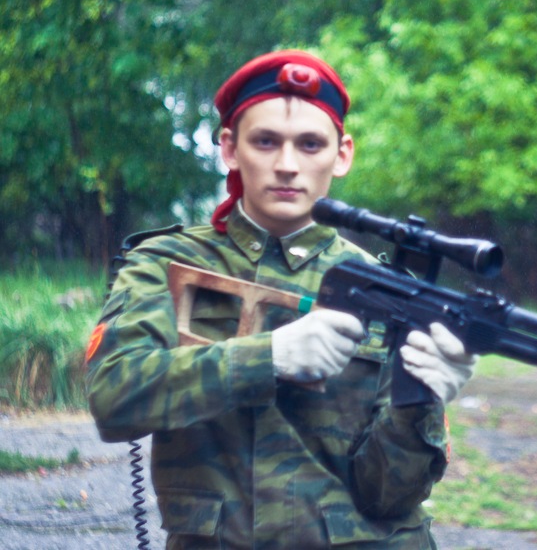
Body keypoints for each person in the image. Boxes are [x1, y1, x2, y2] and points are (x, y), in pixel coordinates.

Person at [85, 49, 478, 549]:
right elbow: (114, 399)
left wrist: (420, 402)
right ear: (230, 148)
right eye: (266, 141)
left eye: (310, 144)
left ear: (342, 154)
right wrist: (267, 357)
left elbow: (387, 495)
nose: (287, 166)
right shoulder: (163, 263)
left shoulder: (383, 290)